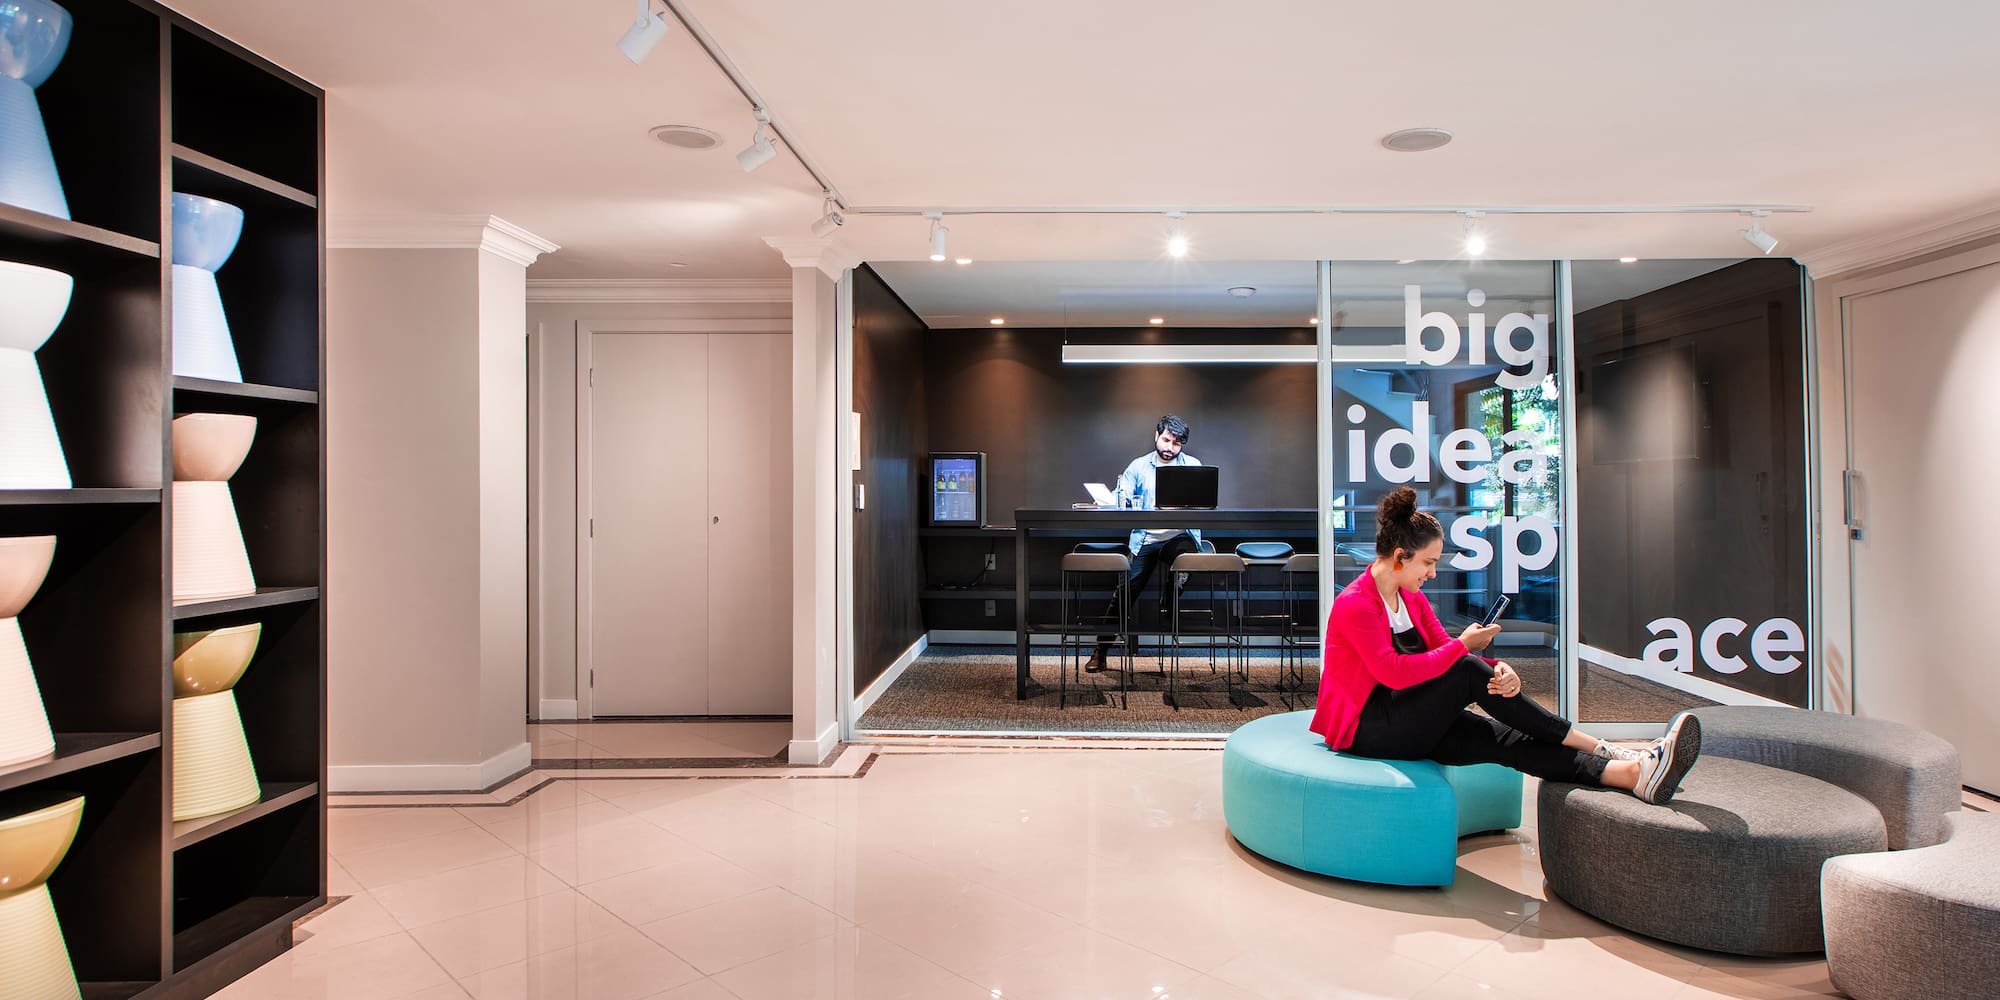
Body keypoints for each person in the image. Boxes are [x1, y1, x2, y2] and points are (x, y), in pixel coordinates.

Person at [1308, 486, 1701, 804]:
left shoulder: (1411, 597)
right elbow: (1391, 672)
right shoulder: (1356, 604)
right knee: (1465, 669)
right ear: (1399, 557)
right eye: (1428, 563)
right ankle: (1604, 747)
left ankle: (1632, 775)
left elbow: (1443, 648)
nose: (1432, 572)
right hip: (1367, 727)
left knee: (1502, 740)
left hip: (1407, 714)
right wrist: (1466, 649)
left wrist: (1499, 672)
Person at [1084, 414, 1202, 672]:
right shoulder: (1138, 466)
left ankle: (1169, 601)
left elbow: (1202, 502)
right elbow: (1120, 496)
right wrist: (1106, 501)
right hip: (1146, 539)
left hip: (1179, 536)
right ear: (1156, 435)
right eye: (1167, 440)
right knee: (1125, 592)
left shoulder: (1193, 465)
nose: (1170, 447)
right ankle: (1100, 651)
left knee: (1188, 562)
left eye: (1176, 444)